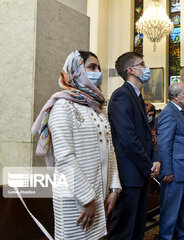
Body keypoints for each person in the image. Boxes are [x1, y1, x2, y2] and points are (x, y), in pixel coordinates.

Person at [31, 50, 121, 239]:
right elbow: (64, 157)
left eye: (98, 67)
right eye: (91, 67)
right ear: (75, 71)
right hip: (75, 197)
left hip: (100, 192)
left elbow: (110, 150)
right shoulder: (63, 106)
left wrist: (113, 189)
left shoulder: (96, 107)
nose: (98, 72)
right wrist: (87, 200)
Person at [107, 52, 161, 240]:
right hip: (129, 174)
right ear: (130, 70)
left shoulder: (137, 96)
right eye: (142, 64)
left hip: (141, 171)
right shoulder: (121, 96)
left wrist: (155, 160)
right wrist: (148, 166)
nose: (146, 68)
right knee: (125, 229)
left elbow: (146, 135)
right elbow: (128, 138)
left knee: (138, 226)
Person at [157, 82, 184, 240]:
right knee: (171, 210)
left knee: (181, 208)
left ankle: (181, 235)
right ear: (176, 96)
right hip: (175, 170)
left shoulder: (180, 112)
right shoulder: (169, 113)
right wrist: (167, 170)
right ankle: (166, 237)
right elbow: (164, 144)